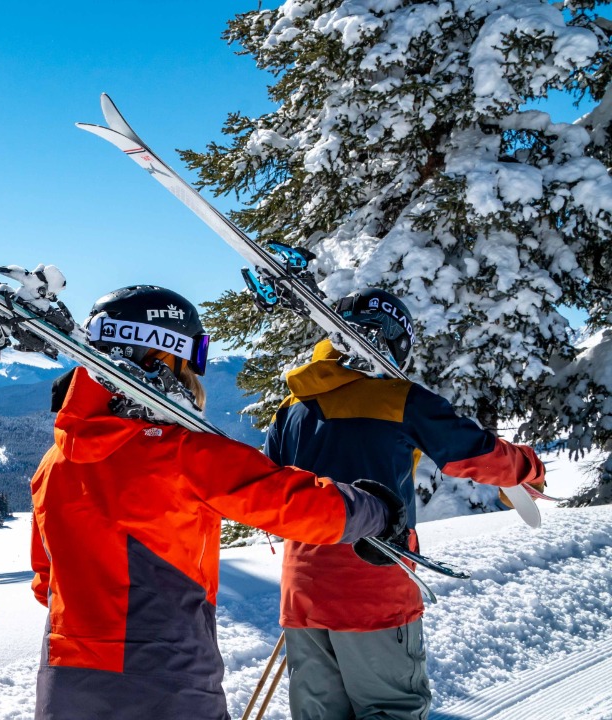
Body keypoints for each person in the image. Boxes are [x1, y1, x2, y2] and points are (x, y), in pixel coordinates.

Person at [29, 284, 407, 720]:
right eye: (192, 362)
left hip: (64, 680)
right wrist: (377, 510)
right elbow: (290, 502)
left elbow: (46, 580)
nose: (195, 378)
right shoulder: (183, 453)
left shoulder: (53, 462)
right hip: (164, 677)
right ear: (159, 358)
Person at [266, 287, 546, 720]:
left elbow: (270, 490)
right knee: (391, 708)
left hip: (302, 590)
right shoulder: (399, 398)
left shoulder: (291, 407)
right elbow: (475, 454)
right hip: (373, 586)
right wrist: (527, 466)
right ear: (397, 345)